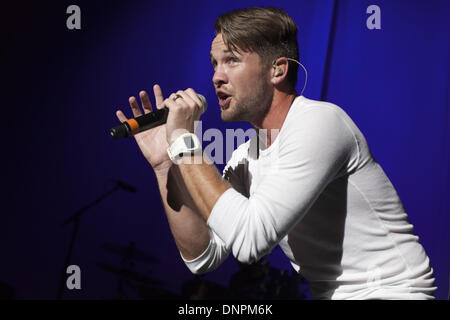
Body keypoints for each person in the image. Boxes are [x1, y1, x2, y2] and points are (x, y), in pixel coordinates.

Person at [115, 7, 436, 299]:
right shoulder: (247, 157)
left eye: (231, 60)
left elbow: (250, 239)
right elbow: (203, 257)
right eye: (214, 63)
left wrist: (184, 140)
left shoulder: (320, 122)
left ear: (277, 71)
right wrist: (165, 164)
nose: (216, 76)